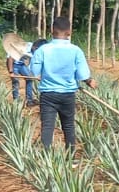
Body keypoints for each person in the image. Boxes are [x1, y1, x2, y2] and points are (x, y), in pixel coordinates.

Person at [31, 18, 92, 150]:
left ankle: (46, 156)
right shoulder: (76, 50)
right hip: (68, 94)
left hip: (48, 94)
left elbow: (34, 72)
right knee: (69, 125)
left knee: (47, 126)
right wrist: (90, 81)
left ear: (51, 31)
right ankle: (72, 157)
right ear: (69, 32)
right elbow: (83, 74)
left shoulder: (42, 50)